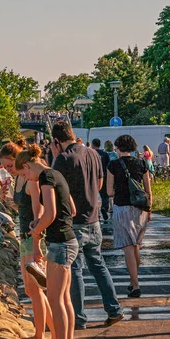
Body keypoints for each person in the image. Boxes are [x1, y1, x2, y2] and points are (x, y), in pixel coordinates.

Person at [50, 122, 124, 328]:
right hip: (94, 220)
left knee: (75, 270)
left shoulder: (63, 159)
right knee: (98, 266)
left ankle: (79, 318)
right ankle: (114, 309)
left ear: (57, 141)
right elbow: (99, 184)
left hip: (74, 222)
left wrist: (55, 156)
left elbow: (53, 189)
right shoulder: (92, 153)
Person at [15, 144, 79, 339]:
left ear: (27, 166)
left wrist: (36, 230)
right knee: (64, 299)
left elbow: (50, 213)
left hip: (60, 243)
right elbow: (71, 210)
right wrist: (40, 224)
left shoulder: (45, 177)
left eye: (25, 174)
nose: (28, 179)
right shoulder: (56, 173)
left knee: (54, 298)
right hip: (68, 240)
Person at [0, 140, 55, 339]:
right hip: (25, 237)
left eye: (10, 166)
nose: (8, 171)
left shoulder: (30, 180)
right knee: (32, 290)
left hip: (33, 238)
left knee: (36, 287)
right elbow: (23, 208)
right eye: (5, 168)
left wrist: (36, 241)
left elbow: (38, 211)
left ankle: (43, 334)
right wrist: (8, 201)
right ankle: (46, 332)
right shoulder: (20, 180)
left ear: (20, 161)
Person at [107, 135, 152, 298]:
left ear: (119, 148)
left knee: (128, 247)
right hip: (141, 209)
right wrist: (150, 210)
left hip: (122, 207)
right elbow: (148, 190)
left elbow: (109, 192)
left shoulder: (113, 165)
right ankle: (134, 282)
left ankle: (136, 285)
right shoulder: (142, 163)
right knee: (136, 246)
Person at [91, 138, 110, 222]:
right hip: (103, 176)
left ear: (92, 144)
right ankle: (104, 208)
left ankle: (95, 213)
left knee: (92, 195)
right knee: (105, 195)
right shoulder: (104, 154)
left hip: (92, 177)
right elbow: (108, 166)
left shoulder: (90, 153)